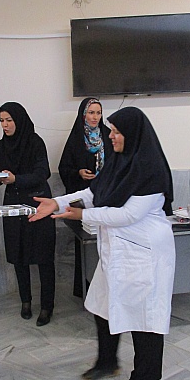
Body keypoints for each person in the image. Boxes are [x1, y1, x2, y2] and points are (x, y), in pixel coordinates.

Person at [30, 106, 175, 380]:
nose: (111, 136)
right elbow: (92, 193)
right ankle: (107, 362)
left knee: (144, 316)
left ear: (133, 135)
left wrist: (80, 215)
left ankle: (147, 377)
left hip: (144, 254)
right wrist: (57, 202)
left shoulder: (151, 169)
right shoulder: (119, 162)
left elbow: (128, 215)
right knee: (103, 306)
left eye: (117, 132)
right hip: (118, 251)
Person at [0, 102, 56, 326]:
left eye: (9, 120)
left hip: (38, 203)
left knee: (44, 256)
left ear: (19, 120)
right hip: (13, 204)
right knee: (18, 255)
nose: (5, 125)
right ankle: (25, 301)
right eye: (2, 120)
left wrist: (16, 179)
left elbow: (42, 173)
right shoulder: (1, 146)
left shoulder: (35, 142)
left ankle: (47, 306)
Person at [58, 97, 112, 297]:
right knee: (85, 245)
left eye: (98, 113)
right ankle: (85, 289)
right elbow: (64, 168)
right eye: (91, 113)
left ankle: (107, 288)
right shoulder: (76, 139)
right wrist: (78, 173)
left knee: (107, 243)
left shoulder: (109, 136)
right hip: (83, 199)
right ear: (83, 115)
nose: (95, 117)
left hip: (106, 198)